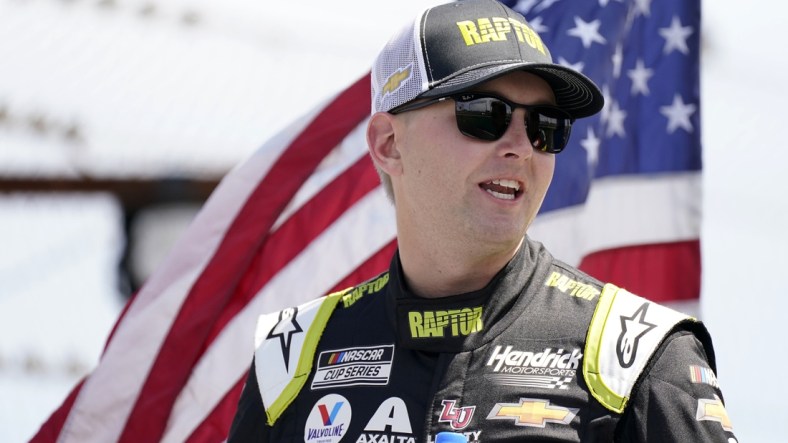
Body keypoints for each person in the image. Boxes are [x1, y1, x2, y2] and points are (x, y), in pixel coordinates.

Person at [228, 0, 736, 441]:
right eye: (484, 114)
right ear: (388, 144)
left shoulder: (644, 355)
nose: (519, 148)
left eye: (545, 127)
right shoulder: (292, 354)